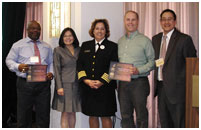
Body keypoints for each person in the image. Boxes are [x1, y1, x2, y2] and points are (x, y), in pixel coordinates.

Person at [152, 9, 197, 128]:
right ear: (160, 22)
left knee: (179, 124)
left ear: (175, 21)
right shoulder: (155, 39)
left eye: (169, 19)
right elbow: (156, 62)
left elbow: (193, 66)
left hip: (178, 92)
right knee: (165, 123)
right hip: (161, 88)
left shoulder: (184, 39)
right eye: (164, 19)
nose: (166, 22)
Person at [6, 20, 53, 127]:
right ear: (27, 30)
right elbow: (8, 60)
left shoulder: (47, 46)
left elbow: (51, 62)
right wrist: (18, 66)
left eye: (38, 29)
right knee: (23, 115)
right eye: (33, 28)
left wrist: (50, 72)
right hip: (25, 84)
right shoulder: (18, 45)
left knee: (44, 114)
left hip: (43, 84)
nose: (35, 30)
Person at [77, 19, 118, 128]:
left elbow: (113, 67)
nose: (99, 31)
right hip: (89, 87)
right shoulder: (85, 45)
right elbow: (80, 65)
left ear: (106, 31)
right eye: (97, 28)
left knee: (105, 116)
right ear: (93, 30)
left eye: (102, 29)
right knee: (92, 115)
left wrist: (101, 81)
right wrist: (86, 80)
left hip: (105, 88)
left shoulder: (112, 46)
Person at [117, 10, 155, 128]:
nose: (130, 22)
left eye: (133, 19)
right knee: (125, 116)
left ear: (137, 22)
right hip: (123, 83)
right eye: (128, 19)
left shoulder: (145, 40)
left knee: (141, 116)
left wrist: (139, 70)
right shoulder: (120, 41)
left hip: (139, 83)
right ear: (124, 21)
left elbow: (152, 62)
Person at [52, 27, 81, 128]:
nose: (68, 38)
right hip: (64, 85)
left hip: (77, 84)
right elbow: (56, 69)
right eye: (65, 36)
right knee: (65, 112)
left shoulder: (79, 49)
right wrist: (59, 86)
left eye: (70, 35)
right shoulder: (58, 50)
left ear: (74, 37)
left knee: (73, 111)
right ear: (62, 38)